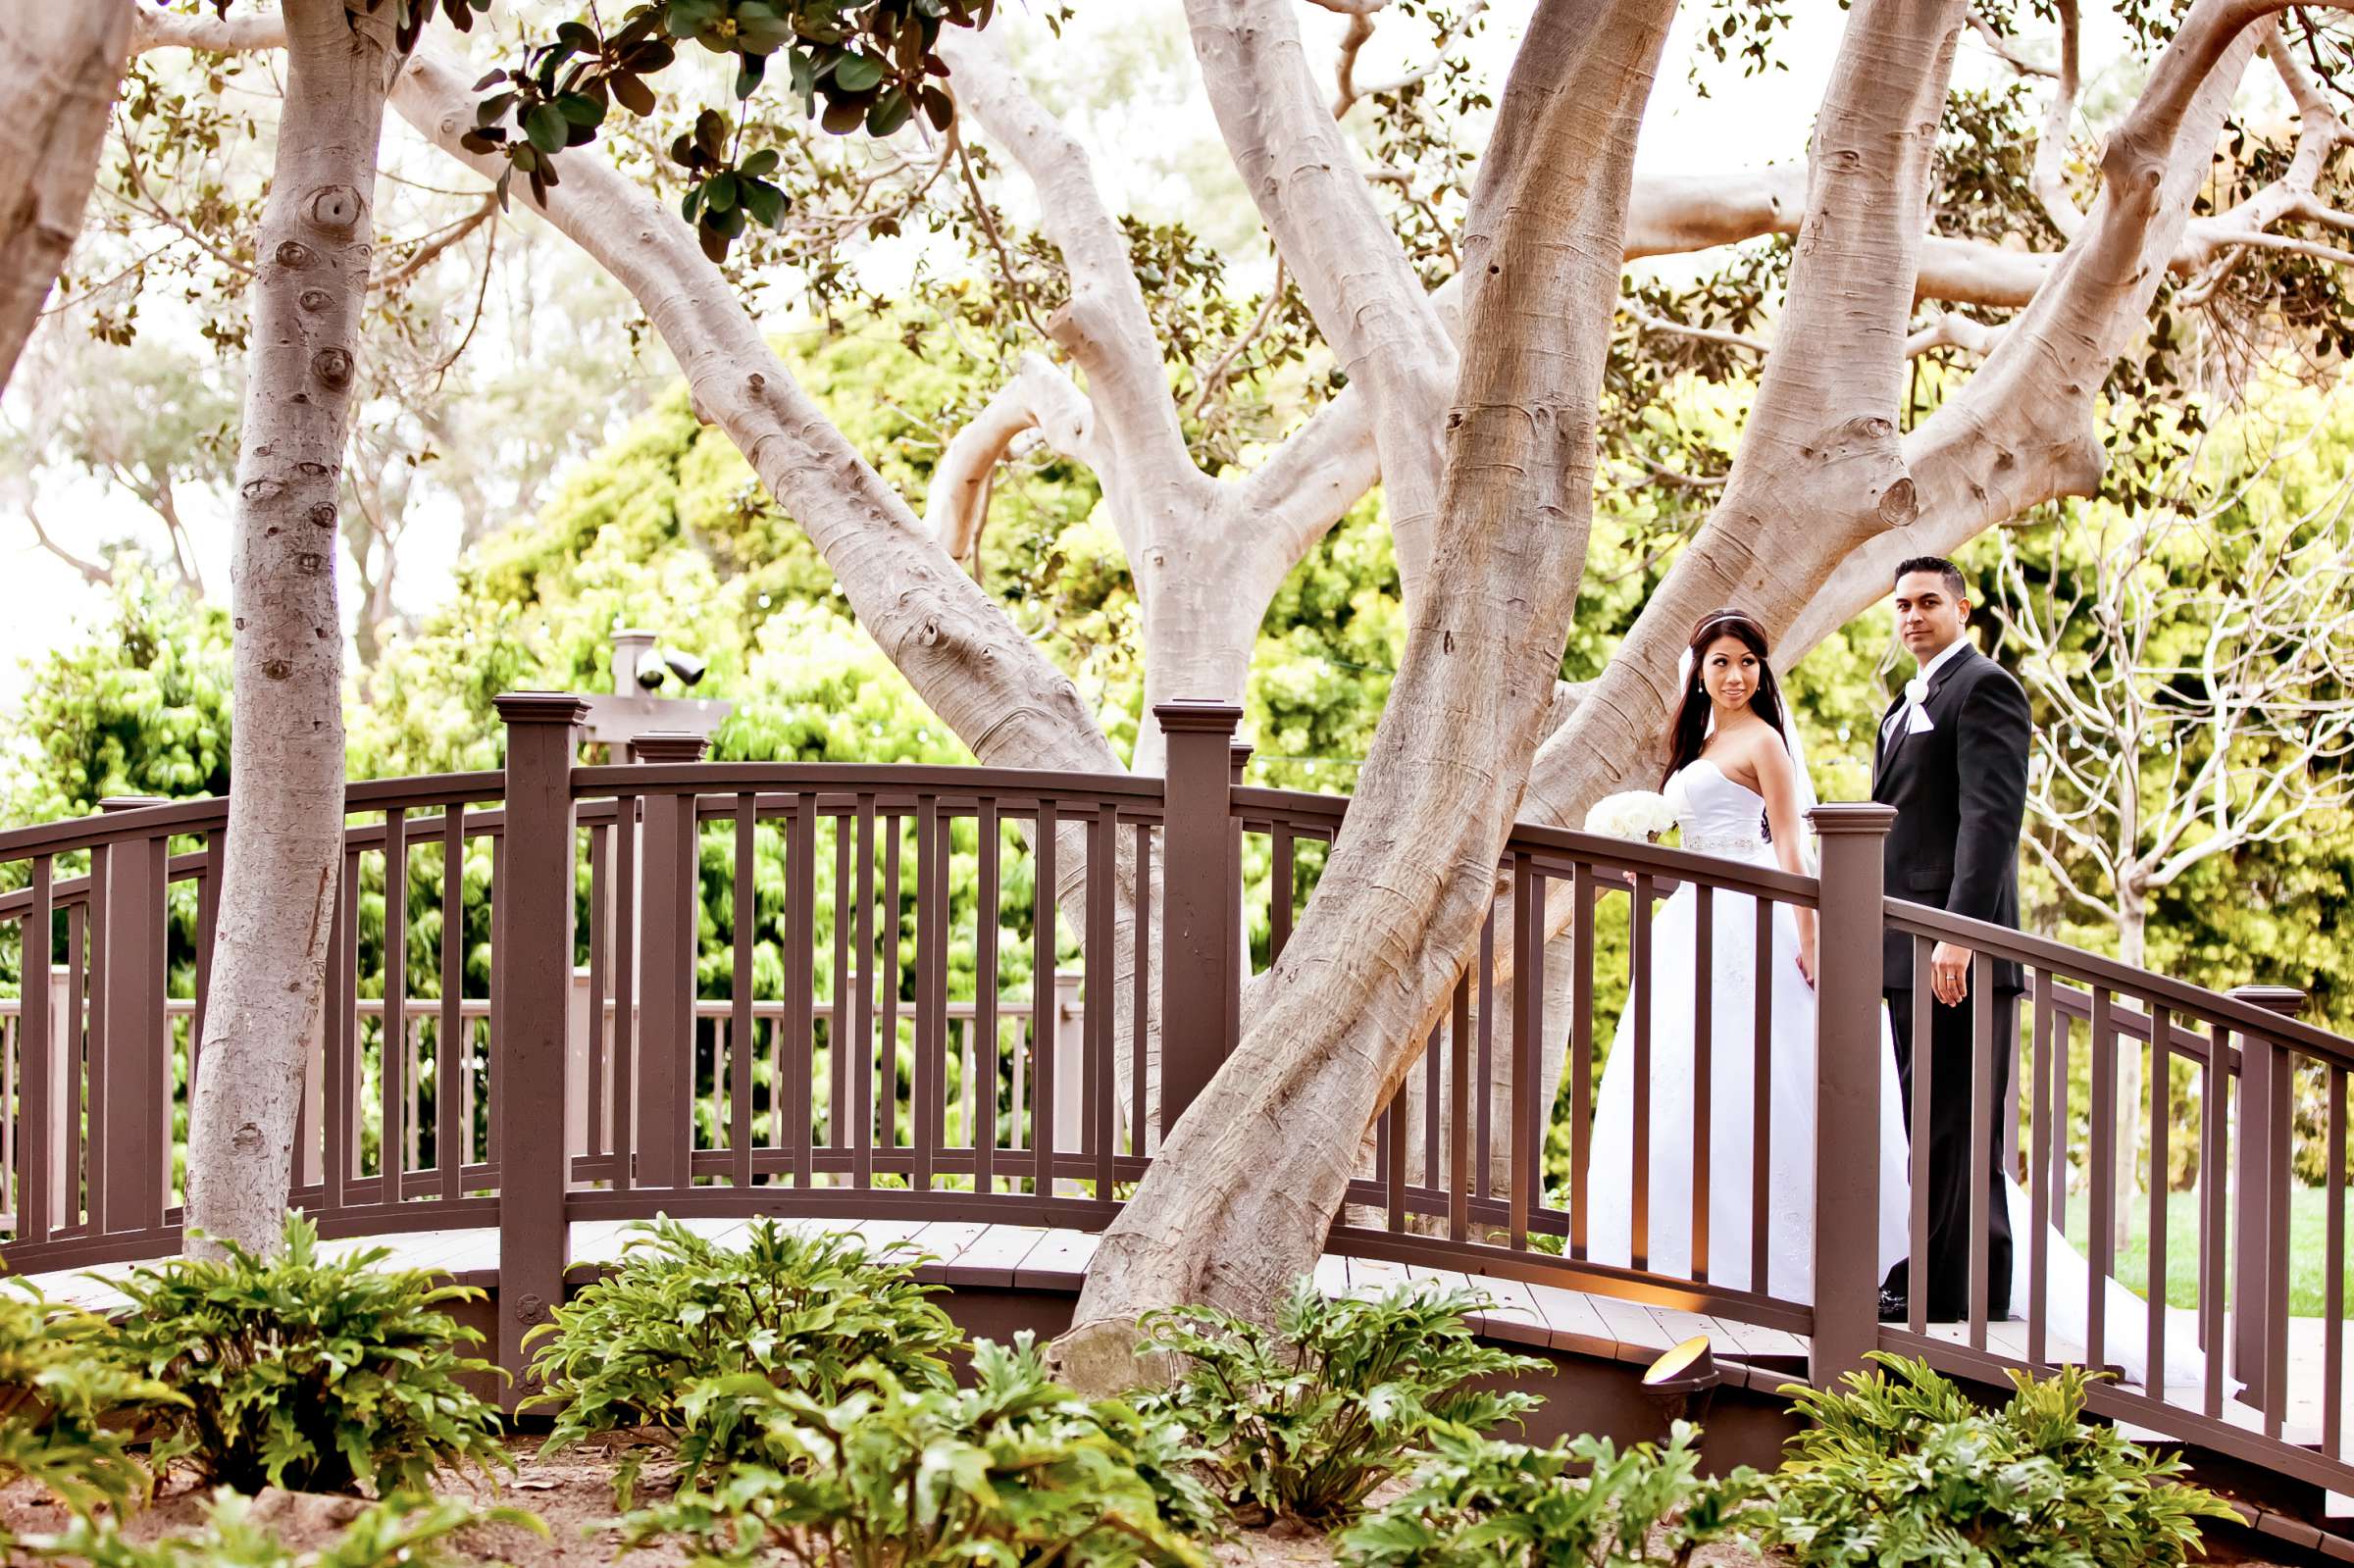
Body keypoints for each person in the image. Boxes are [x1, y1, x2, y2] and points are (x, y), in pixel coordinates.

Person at [1582, 608, 1911, 1299]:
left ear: (1762, 672)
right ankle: (1667, 1249)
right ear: (1698, 674)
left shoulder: (1765, 742)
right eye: (1721, 662)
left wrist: (1812, 937)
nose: (1735, 675)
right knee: (1676, 1082)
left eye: (1747, 662)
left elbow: (1792, 847)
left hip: (1750, 917)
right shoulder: (1699, 744)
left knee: (1750, 1079)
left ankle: (1766, 1261)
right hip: (1690, 923)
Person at [1871, 557, 2030, 1325]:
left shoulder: (1984, 688)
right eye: (1901, 604)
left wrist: (1959, 936)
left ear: (1963, 609)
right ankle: (1936, 1271)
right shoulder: (1904, 703)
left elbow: (1990, 821)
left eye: (1928, 601)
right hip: (1907, 952)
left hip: (1955, 951)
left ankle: (1964, 1286)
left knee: (1963, 1120)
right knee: (1928, 1117)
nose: (1912, 615)